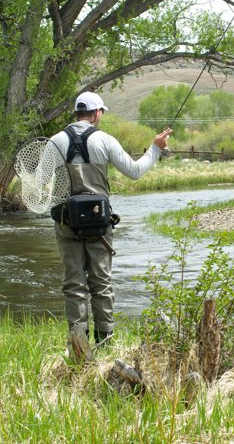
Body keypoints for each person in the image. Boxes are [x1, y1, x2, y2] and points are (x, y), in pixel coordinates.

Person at [49, 91, 172, 347]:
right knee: (101, 283)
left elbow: (39, 182)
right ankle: (105, 342)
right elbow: (135, 171)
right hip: (98, 224)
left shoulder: (54, 141)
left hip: (66, 224)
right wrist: (155, 149)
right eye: (101, 112)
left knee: (73, 284)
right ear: (96, 114)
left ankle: (78, 344)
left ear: (77, 112)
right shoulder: (104, 140)